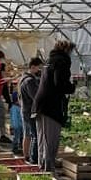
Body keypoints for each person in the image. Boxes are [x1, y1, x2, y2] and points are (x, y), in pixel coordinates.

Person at [33, 40, 76, 172]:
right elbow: (59, 83)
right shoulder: (61, 62)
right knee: (50, 140)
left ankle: (44, 168)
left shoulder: (50, 60)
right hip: (49, 106)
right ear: (67, 50)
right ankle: (48, 171)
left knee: (43, 138)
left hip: (42, 104)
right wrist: (72, 87)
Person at [19, 57, 43, 164]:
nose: (39, 70)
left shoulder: (23, 78)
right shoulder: (29, 81)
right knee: (35, 135)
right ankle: (34, 158)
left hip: (24, 109)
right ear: (33, 67)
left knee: (27, 134)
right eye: (38, 68)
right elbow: (35, 97)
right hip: (30, 111)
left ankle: (26, 156)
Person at [9, 82, 23, 154]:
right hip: (17, 126)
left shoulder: (19, 108)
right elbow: (14, 119)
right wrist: (15, 126)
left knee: (21, 137)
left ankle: (20, 147)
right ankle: (15, 148)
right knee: (16, 137)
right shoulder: (14, 108)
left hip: (21, 125)